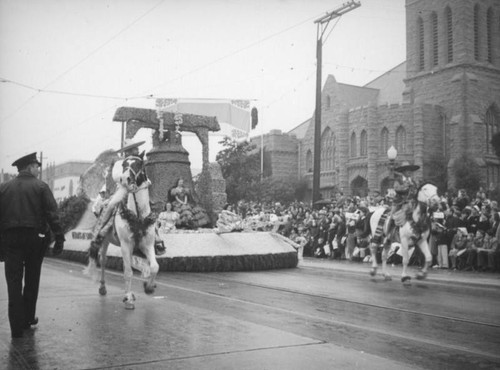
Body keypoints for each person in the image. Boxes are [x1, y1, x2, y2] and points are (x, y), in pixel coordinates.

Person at [0, 152, 65, 338]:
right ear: (29, 167)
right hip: (35, 240)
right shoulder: (41, 187)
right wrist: (59, 239)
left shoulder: (4, 188)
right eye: (37, 166)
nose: (38, 168)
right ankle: (28, 319)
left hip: (11, 240)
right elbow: (53, 215)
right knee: (31, 280)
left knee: (13, 282)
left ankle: (16, 328)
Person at [91, 139, 166, 256]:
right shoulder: (119, 163)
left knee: (150, 209)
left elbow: (143, 175)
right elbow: (116, 176)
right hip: (123, 190)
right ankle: (100, 231)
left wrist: (146, 181)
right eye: (134, 148)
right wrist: (126, 177)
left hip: (138, 190)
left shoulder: (139, 161)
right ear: (128, 151)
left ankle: (156, 237)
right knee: (111, 205)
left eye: (136, 148)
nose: (136, 150)